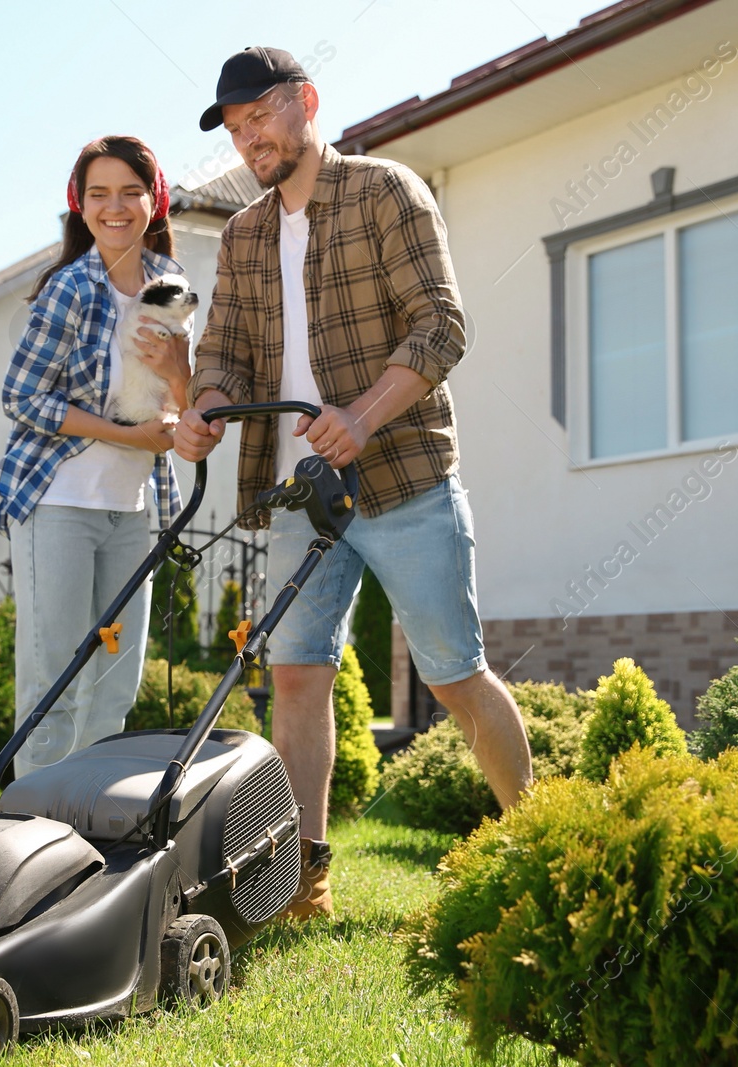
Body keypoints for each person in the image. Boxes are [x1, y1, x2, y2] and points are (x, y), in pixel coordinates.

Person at [177, 48, 536, 918]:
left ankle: (542, 845)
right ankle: (301, 877)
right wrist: (206, 408)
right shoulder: (243, 233)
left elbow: (441, 326)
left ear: (306, 103)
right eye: (234, 127)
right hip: (301, 489)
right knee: (297, 675)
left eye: (259, 115)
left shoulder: (386, 191)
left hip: (403, 470)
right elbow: (222, 351)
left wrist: (362, 415)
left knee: (454, 674)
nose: (248, 137)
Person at [0, 135, 192, 778]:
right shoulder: (70, 288)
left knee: (113, 689)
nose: (115, 207)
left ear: (153, 200)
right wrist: (126, 435)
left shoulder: (171, 286)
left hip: (134, 511)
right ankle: (32, 834)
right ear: (80, 206)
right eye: (99, 194)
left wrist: (180, 374)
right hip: (59, 503)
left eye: (130, 192)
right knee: (54, 681)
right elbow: (21, 397)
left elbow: (186, 403)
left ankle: (93, 829)